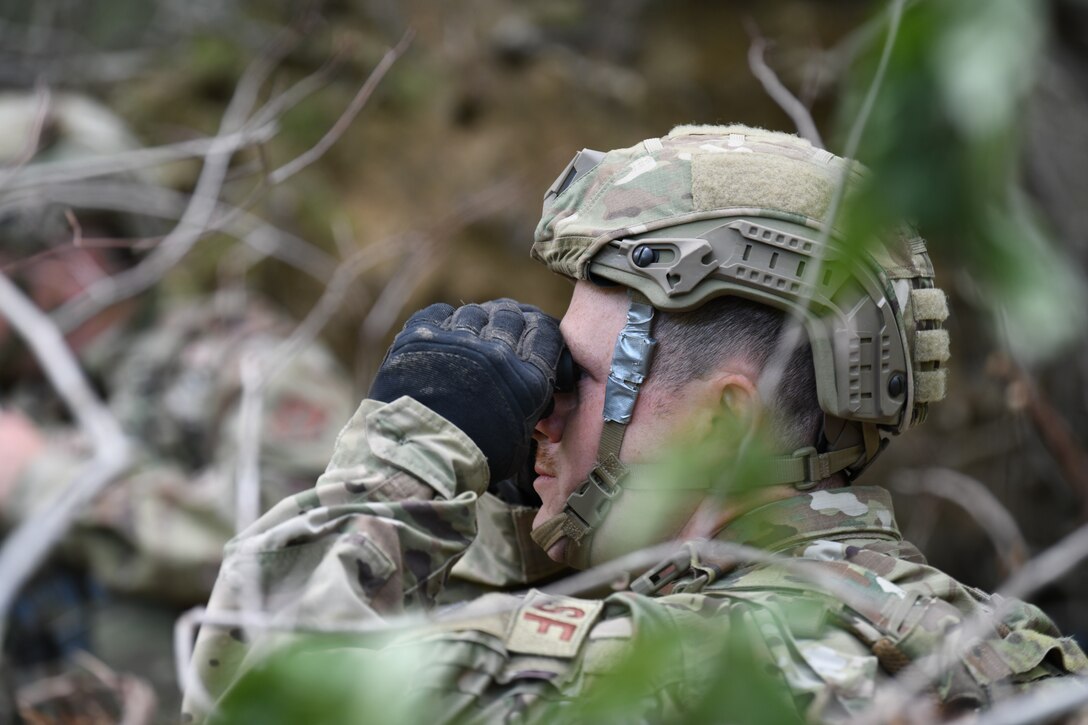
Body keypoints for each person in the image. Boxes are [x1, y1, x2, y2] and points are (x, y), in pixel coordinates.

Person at [183, 125, 1088, 723]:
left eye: (572, 377)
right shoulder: (987, 643)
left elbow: (254, 688)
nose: (542, 412)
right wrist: (526, 510)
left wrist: (414, 448)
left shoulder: (693, 669)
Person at [0, 92, 357, 721]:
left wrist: (47, 484)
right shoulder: (30, 396)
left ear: (55, 253)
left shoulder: (247, 368)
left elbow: (329, 555)